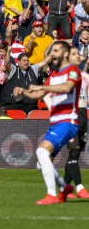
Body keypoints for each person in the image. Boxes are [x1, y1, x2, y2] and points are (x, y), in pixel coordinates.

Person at [13, 41, 80, 204]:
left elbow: (67, 88)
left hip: (67, 121)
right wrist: (25, 92)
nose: (52, 53)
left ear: (65, 54)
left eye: (55, 50)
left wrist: (40, 87)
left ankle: (52, 195)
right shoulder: (54, 75)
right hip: (55, 123)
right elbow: (40, 94)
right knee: (41, 163)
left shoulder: (72, 71)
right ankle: (65, 187)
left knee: (42, 153)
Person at [43, 46, 89, 199]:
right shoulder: (64, 75)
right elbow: (47, 94)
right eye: (74, 53)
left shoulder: (84, 76)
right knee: (73, 152)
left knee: (74, 155)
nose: (78, 56)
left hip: (83, 116)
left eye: (79, 54)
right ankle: (79, 187)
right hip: (69, 117)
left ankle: (64, 189)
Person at [3, 48, 52, 115]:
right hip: (15, 105)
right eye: (24, 60)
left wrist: (52, 53)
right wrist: (8, 52)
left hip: (31, 105)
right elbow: (7, 64)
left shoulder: (33, 69)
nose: (26, 62)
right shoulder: (14, 69)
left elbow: (44, 62)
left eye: (27, 60)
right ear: (19, 62)